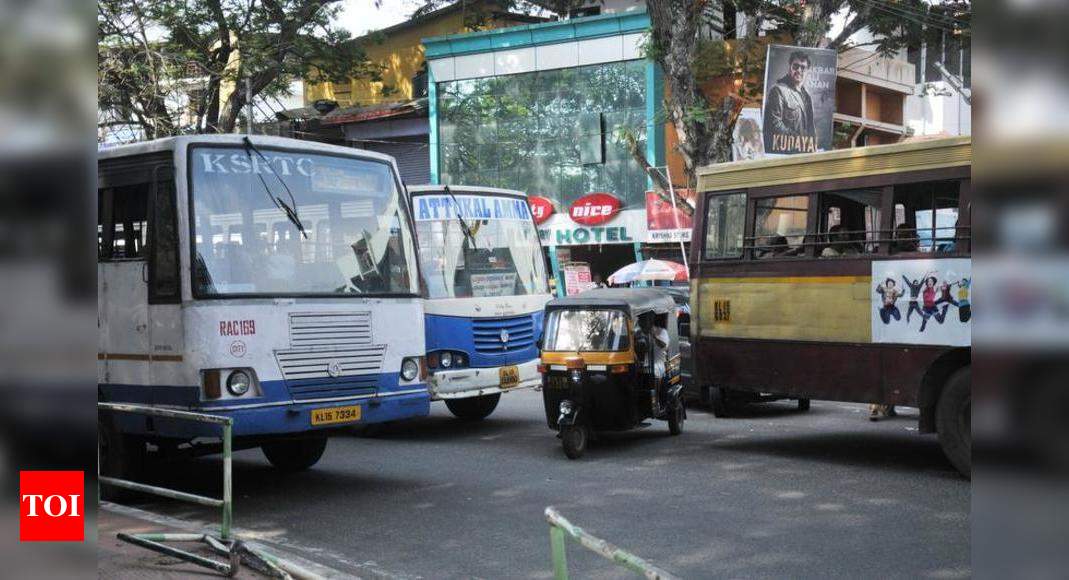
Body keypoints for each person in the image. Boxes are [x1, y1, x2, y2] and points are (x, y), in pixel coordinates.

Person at [763, 50, 818, 155]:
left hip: (804, 154)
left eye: (803, 68)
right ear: (790, 67)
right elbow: (774, 124)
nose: (799, 70)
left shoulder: (807, 97)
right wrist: (800, 141)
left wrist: (812, 148)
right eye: (795, 66)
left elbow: (811, 127)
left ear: (807, 71)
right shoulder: (778, 90)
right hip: (783, 154)